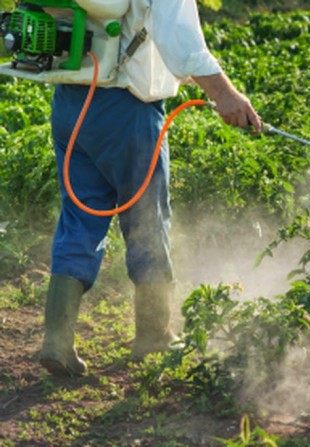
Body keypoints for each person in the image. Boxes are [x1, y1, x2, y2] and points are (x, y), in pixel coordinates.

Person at [39, 0, 262, 376]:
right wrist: (224, 94)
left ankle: (56, 341)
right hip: (126, 111)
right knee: (146, 218)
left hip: (70, 104)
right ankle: (154, 336)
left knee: (79, 218)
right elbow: (183, 43)